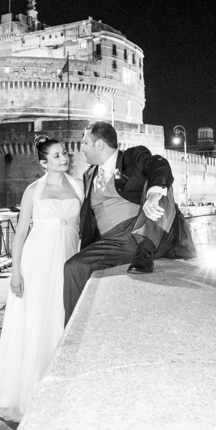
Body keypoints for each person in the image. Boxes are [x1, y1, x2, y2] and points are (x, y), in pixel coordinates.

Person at [0, 135, 84, 421]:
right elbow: (21, 233)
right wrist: (15, 272)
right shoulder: (33, 191)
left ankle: (59, 379)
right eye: (58, 155)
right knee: (37, 318)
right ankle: (31, 387)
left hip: (67, 260)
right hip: (37, 262)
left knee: (60, 316)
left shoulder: (78, 187)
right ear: (43, 162)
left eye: (64, 153)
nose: (64, 158)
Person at [64, 121, 196, 325]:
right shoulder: (89, 174)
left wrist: (152, 195)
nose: (82, 148)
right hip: (110, 241)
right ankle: (73, 329)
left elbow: (159, 165)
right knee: (73, 267)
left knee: (161, 186)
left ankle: (145, 251)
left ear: (99, 144)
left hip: (141, 230)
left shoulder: (131, 158)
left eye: (86, 143)